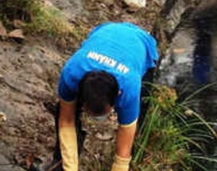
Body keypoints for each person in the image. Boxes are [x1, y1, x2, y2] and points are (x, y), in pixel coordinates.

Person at [52, 22, 159, 171]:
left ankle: (134, 154)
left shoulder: (130, 88)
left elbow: (122, 153)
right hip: (106, 31)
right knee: (65, 110)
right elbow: (66, 120)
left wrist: (120, 166)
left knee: (136, 122)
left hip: (141, 43)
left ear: (118, 96)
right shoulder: (71, 73)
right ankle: (60, 161)